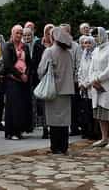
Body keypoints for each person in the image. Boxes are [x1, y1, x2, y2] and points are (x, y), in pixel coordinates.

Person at [38, 26, 76, 154]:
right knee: (64, 121)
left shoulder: (49, 51)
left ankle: (55, 147)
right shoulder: (68, 53)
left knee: (54, 121)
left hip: (53, 90)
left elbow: (41, 70)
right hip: (67, 90)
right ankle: (64, 146)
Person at [89, 27, 109, 149]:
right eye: (94, 36)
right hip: (96, 86)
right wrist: (92, 78)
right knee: (100, 112)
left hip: (107, 85)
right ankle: (104, 137)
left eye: (96, 36)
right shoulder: (96, 50)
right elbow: (91, 67)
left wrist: (99, 78)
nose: (95, 38)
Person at [2, 24, 33, 140]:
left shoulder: (25, 47)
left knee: (22, 106)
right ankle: (12, 132)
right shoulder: (7, 46)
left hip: (23, 80)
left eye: (21, 33)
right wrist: (20, 75)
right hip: (12, 80)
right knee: (13, 106)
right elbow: (8, 64)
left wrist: (27, 75)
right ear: (12, 34)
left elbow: (29, 63)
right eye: (17, 33)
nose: (19, 35)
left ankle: (20, 130)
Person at [24, 26, 47, 138]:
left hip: (39, 79)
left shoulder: (39, 46)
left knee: (41, 104)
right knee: (30, 103)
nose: (27, 37)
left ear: (33, 35)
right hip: (28, 80)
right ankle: (30, 126)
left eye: (29, 35)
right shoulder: (22, 48)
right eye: (25, 35)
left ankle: (45, 128)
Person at [61, 24, 83, 137]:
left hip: (72, 81)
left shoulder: (76, 46)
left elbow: (79, 64)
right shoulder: (59, 46)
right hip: (60, 81)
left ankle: (74, 127)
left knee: (73, 106)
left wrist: (76, 80)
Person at [77, 34, 99, 140]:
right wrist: (80, 83)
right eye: (85, 43)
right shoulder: (83, 55)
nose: (87, 45)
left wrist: (86, 84)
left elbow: (94, 72)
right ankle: (85, 131)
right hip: (84, 88)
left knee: (92, 111)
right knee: (84, 111)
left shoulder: (95, 55)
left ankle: (93, 132)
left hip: (91, 87)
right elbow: (80, 70)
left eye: (89, 42)